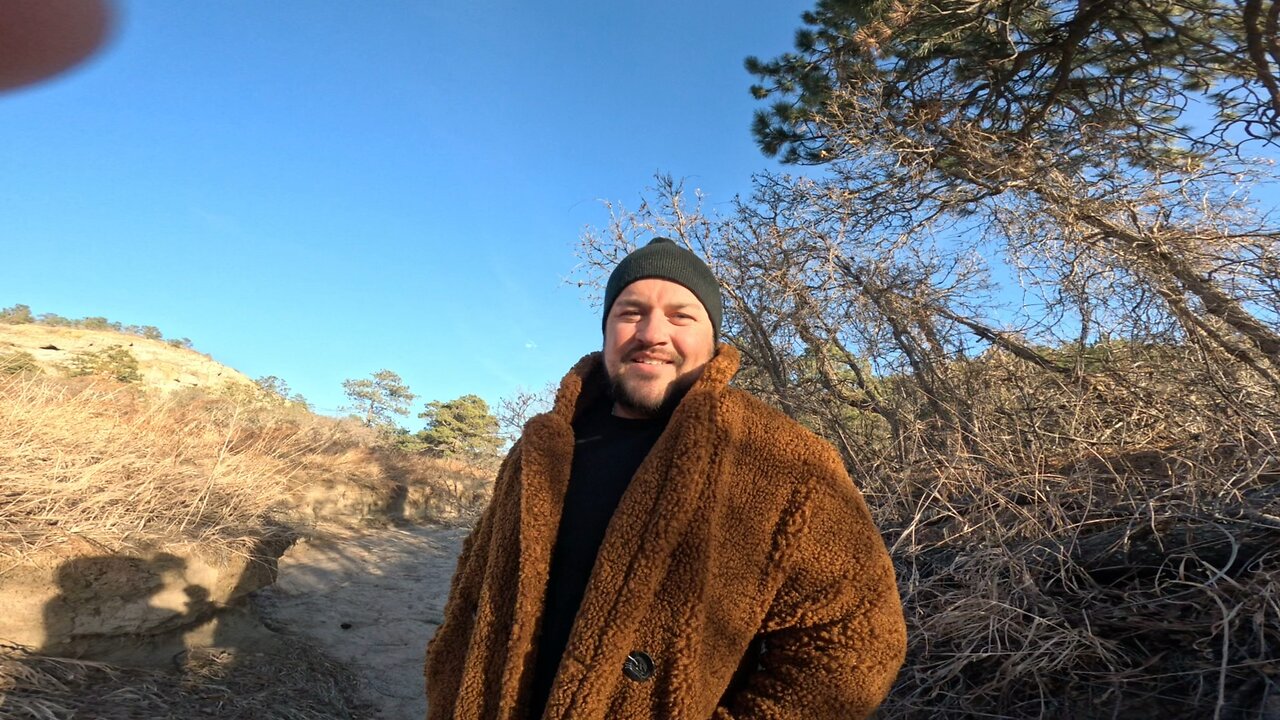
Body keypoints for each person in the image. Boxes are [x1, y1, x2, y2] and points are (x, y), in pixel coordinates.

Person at [425, 238, 906, 719]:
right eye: (631, 312)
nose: (652, 333)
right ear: (607, 331)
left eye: (681, 316)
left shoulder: (784, 461)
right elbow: (472, 594)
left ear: (713, 339)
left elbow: (860, 637)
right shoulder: (540, 449)